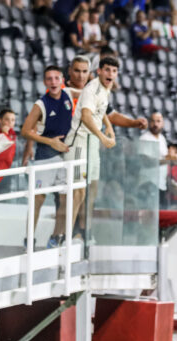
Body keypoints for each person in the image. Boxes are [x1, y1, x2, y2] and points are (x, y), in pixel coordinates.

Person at [60, 56, 118, 246]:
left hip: (92, 144)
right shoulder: (91, 88)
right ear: (99, 71)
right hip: (79, 143)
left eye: (114, 71)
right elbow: (85, 116)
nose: (110, 74)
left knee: (91, 190)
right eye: (107, 69)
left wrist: (108, 126)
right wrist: (102, 137)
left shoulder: (105, 90)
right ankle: (65, 237)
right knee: (77, 193)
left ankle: (84, 232)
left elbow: (99, 112)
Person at [20, 65, 73, 248]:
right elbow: (26, 131)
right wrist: (50, 142)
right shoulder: (40, 104)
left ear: (62, 81)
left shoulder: (69, 96)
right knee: (38, 200)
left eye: (56, 78)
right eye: (49, 79)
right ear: (45, 82)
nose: (53, 82)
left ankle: (55, 238)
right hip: (46, 154)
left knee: (65, 200)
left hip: (65, 156)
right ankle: (29, 240)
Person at [140, 112, 169, 201]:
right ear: (149, 123)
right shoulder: (144, 138)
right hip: (148, 184)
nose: (155, 124)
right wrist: (169, 160)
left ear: (162, 123)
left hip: (161, 184)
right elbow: (146, 161)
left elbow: (165, 157)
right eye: (153, 121)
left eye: (158, 121)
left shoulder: (162, 138)